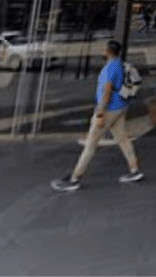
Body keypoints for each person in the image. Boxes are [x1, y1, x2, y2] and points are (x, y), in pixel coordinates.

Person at [51, 40, 143, 191]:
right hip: (120, 107)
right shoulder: (119, 64)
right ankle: (135, 170)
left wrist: (100, 113)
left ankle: (75, 178)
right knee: (122, 139)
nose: (102, 51)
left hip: (108, 110)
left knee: (91, 143)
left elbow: (106, 92)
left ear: (108, 51)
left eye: (103, 49)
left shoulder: (109, 69)